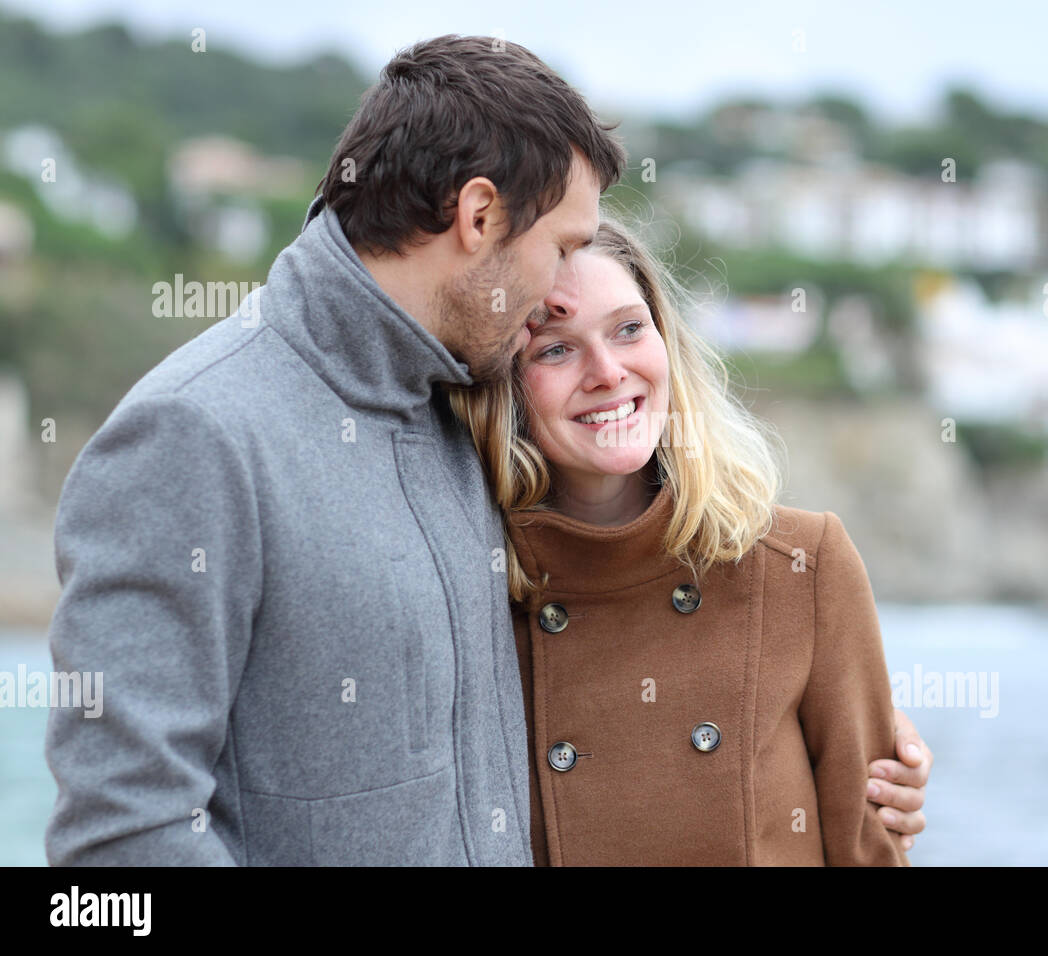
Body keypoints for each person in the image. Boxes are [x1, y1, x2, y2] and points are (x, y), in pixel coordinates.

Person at [43, 35, 928, 866]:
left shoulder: (454, 409)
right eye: (564, 247)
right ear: (477, 214)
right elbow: (120, 847)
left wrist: (849, 774)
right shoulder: (193, 433)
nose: (565, 283)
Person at [447, 216, 922, 864]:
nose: (609, 373)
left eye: (628, 329)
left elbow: (871, 849)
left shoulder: (801, 565)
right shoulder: (466, 588)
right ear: (503, 384)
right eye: (555, 349)